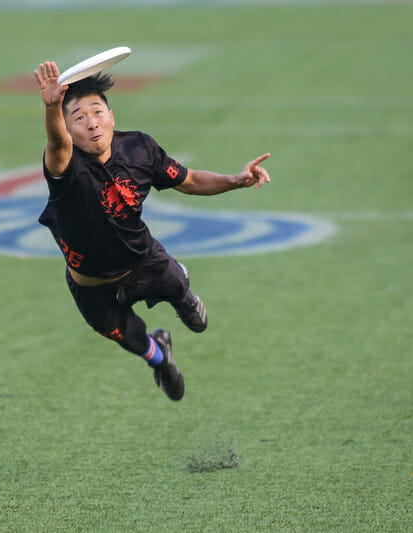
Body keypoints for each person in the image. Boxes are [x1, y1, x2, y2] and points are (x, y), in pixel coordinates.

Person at [34, 61, 271, 401]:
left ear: (112, 116)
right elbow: (56, 143)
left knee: (181, 293)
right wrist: (52, 108)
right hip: (93, 287)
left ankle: (182, 293)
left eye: (97, 112)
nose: (91, 123)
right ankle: (160, 358)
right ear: (68, 129)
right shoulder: (65, 167)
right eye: (78, 117)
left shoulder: (140, 149)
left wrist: (236, 180)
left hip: (144, 261)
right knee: (131, 340)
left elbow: (189, 181)